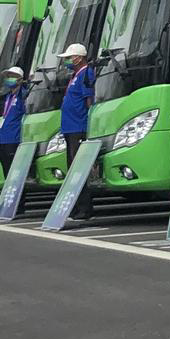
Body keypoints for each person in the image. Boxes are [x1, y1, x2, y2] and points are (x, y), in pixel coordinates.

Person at [58, 43, 97, 222]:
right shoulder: (75, 75)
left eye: (69, 57)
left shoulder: (86, 73)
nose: (66, 61)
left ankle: (84, 208)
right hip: (69, 128)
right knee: (72, 170)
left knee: (79, 170)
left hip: (78, 128)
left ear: (78, 58)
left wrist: (89, 126)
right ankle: (75, 207)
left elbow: (89, 100)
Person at [0, 66, 28, 189]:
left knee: (15, 171)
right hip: (3, 138)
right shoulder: (8, 96)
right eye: (8, 77)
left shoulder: (22, 95)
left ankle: (17, 197)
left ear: (19, 79)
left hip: (14, 138)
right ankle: (8, 193)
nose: (9, 79)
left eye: (12, 76)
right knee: (6, 170)